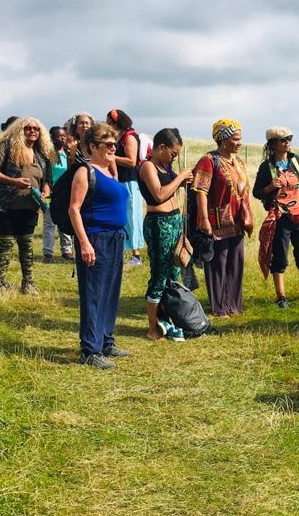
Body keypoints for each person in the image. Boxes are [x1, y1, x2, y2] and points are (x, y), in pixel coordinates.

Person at [69, 122, 131, 370]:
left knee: (110, 292)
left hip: (115, 238)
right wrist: (84, 243)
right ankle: (90, 349)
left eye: (115, 144)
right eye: (108, 144)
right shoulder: (85, 173)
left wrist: (112, 161)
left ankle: (105, 340)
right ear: (93, 147)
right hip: (96, 238)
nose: (113, 148)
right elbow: (74, 209)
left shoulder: (108, 172)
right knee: (93, 294)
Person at [191, 119, 254, 317]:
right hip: (217, 221)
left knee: (236, 261)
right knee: (218, 263)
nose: (239, 143)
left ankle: (233, 304)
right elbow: (200, 190)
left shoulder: (238, 162)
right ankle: (219, 306)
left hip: (236, 221)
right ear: (223, 140)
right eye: (236, 139)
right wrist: (204, 219)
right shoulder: (208, 160)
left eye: (240, 139)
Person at [0, 117, 56, 295]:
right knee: (7, 243)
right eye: (28, 128)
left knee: (27, 244)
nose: (33, 131)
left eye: (36, 128)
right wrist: (13, 181)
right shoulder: (6, 146)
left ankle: (28, 283)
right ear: (19, 129)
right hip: (5, 203)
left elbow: (47, 179)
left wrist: (46, 191)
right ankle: (1, 282)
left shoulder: (42, 153)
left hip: (30, 205)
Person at [138, 128, 194, 341]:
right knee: (160, 275)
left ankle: (168, 321)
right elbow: (159, 195)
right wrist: (180, 177)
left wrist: (183, 181)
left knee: (174, 273)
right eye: (173, 153)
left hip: (173, 220)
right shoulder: (148, 166)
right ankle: (153, 327)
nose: (174, 158)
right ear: (161, 147)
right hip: (158, 224)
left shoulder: (164, 165)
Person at [253, 126, 299, 308]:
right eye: (283, 140)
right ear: (273, 144)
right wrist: (270, 187)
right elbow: (257, 192)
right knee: (280, 257)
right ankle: (281, 296)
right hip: (281, 216)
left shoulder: (296, 160)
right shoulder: (266, 167)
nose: (287, 143)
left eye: (289, 139)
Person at [107, 108, 144, 266]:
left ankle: (136, 254)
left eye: (110, 123)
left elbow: (131, 161)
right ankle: (121, 251)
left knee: (132, 215)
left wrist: (111, 157)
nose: (108, 125)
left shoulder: (130, 137)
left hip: (130, 181)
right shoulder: (119, 137)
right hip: (120, 180)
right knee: (122, 216)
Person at [41, 126, 74, 262]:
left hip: (65, 194)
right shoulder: (48, 154)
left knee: (64, 220)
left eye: (63, 136)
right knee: (49, 222)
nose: (61, 138)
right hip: (50, 192)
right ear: (51, 138)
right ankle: (47, 252)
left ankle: (66, 250)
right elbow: (45, 176)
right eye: (58, 136)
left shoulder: (68, 153)